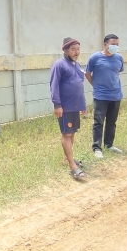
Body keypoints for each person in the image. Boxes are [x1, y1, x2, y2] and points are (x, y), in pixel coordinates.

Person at [50, 37, 87, 180]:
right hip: (65, 107)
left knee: (72, 133)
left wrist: (82, 104)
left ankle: (68, 158)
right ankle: (73, 167)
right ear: (65, 50)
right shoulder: (59, 65)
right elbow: (54, 85)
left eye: (78, 49)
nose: (77, 52)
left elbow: (79, 85)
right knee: (66, 134)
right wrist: (57, 105)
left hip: (75, 106)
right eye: (73, 49)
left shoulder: (76, 65)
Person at [85, 34, 124, 159]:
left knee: (112, 122)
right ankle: (97, 148)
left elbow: (117, 73)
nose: (115, 47)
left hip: (116, 95)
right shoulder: (95, 58)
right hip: (101, 96)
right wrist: (95, 85)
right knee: (98, 122)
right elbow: (87, 73)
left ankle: (109, 144)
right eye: (113, 44)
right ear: (105, 44)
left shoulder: (119, 58)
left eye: (117, 44)